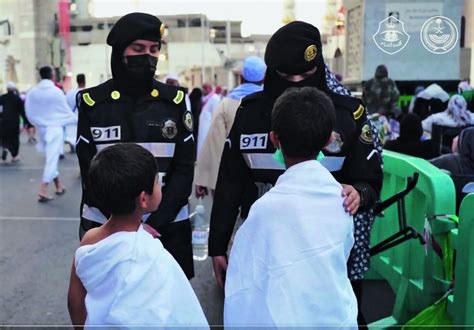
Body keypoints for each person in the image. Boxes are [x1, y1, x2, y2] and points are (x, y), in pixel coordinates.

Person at [209, 21, 383, 325]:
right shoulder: (250, 114)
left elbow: (369, 178)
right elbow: (229, 184)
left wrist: (360, 193)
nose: (298, 85)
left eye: (306, 75)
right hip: (266, 248)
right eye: (288, 77)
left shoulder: (346, 114)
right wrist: (217, 245)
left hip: (325, 254)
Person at [224, 87, 357, 327]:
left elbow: (245, 280)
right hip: (336, 318)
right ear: (329, 140)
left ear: (275, 139)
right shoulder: (342, 200)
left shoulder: (264, 210)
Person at [76, 13, 195, 279]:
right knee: (105, 308)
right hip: (106, 227)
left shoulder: (174, 102)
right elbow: (89, 173)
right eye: (138, 49)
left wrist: (152, 224)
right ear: (120, 53)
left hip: (166, 226)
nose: (148, 57)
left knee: (166, 312)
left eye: (154, 50)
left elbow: (184, 170)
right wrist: (125, 223)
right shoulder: (93, 103)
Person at [67, 143, 208, 327]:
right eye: (157, 182)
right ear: (143, 199)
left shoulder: (90, 239)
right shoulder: (150, 254)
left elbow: (75, 300)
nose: (159, 186)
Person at [194, 56, 266, 197]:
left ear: (241, 78)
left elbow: (214, 143)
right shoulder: (271, 105)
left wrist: (204, 178)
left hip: (229, 178)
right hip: (261, 179)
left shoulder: (226, 104)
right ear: (263, 79)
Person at [25, 66, 76, 201]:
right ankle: (43, 188)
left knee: (50, 156)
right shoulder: (56, 92)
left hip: (42, 128)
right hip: (55, 128)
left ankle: (58, 185)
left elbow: (29, 110)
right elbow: (64, 110)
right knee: (52, 159)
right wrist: (74, 119)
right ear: (52, 75)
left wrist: (37, 122)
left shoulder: (33, 92)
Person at [0, 82, 26, 162]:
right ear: (14, 89)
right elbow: (22, 111)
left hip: (3, 121)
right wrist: (25, 121)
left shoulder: (2, 98)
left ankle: (5, 147)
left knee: (4, 137)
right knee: (14, 138)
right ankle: (14, 156)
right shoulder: (17, 98)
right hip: (14, 121)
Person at [197, 82, 221, 156]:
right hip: (203, 125)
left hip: (209, 125)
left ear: (210, 89)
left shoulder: (215, 98)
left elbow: (216, 113)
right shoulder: (204, 98)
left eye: (205, 88)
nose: (203, 90)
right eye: (203, 88)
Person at [64, 74, 86, 153]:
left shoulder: (70, 93)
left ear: (77, 81)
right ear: (85, 81)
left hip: (73, 116)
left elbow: (66, 105)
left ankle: (72, 144)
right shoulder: (89, 92)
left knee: (72, 133)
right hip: (85, 116)